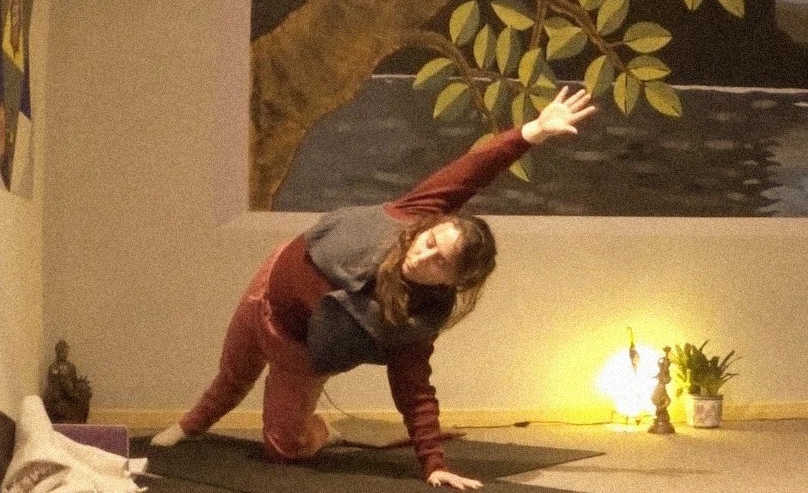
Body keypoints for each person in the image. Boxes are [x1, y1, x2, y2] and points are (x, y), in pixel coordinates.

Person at [152, 86, 595, 489]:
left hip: (298, 347)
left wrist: (433, 463)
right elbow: (469, 172)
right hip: (265, 289)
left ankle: (321, 431)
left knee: (284, 451)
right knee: (232, 374)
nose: (423, 256)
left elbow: (414, 389)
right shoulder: (413, 214)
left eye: (440, 262)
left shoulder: (416, 316)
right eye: (430, 242)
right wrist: (532, 132)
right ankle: (192, 424)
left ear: (455, 281)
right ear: (427, 229)